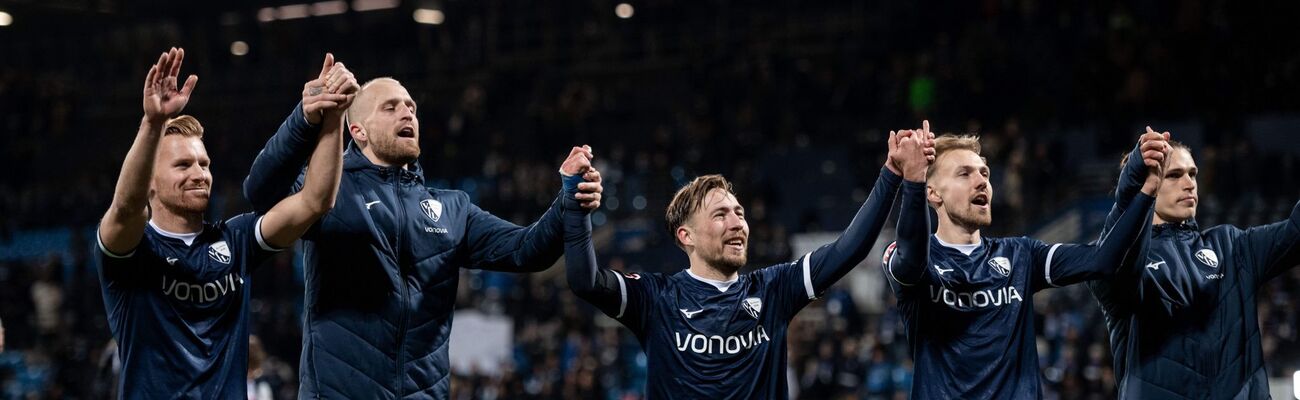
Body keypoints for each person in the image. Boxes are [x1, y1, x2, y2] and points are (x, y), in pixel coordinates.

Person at [242, 76, 605, 398]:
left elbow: (528, 251)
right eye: (391, 107)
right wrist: (303, 120)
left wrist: (569, 198)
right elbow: (261, 192)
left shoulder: (452, 208)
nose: (408, 113)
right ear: (358, 131)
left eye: (411, 107)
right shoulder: (328, 191)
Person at [563, 127, 935, 398]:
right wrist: (575, 205)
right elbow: (585, 281)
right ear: (686, 236)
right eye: (720, 214)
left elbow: (847, 250)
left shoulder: (773, 290)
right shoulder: (656, 298)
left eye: (739, 212)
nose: (737, 222)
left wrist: (891, 176)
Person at [96, 48, 353, 397]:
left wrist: (334, 116)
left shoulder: (237, 239)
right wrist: (153, 123)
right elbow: (126, 207)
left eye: (204, 164)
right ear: (150, 182)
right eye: (183, 165)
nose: (199, 174)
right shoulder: (131, 250)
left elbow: (315, 201)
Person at [881, 124, 1166, 399]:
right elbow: (912, 260)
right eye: (964, 174)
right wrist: (913, 182)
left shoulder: (1020, 255)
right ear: (933, 193)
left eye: (985, 173)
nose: (982, 181)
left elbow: (1103, 260)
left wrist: (1145, 192)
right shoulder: (911, 257)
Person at [1089, 127, 1300, 399]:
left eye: (1192, 174)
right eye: (1175, 175)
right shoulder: (1129, 260)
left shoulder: (1231, 246)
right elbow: (1105, 270)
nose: (1189, 183)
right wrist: (1127, 197)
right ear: (1147, 185)